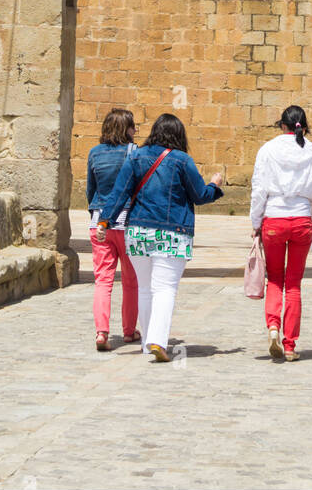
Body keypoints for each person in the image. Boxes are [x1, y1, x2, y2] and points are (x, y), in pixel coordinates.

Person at [95, 113, 223, 362]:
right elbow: (199, 195)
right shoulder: (182, 160)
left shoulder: (135, 157)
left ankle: (147, 343)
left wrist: (104, 221)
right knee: (164, 288)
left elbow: (118, 193)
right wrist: (215, 186)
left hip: (138, 232)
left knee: (145, 288)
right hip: (172, 233)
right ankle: (157, 340)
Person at [250, 105, 312, 361]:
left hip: (273, 219)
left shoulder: (267, 150)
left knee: (274, 279)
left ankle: (273, 325)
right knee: (293, 283)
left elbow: (259, 190)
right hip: (301, 221)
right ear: (303, 126)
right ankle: (290, 345)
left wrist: (255, 222)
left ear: (282, 125)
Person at [86, 108, 140, 351]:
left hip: (100, 223)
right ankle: (129, 331)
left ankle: (101, 332)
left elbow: (90, 190)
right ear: (124, 129)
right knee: (130, 281)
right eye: (132, 126)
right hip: (127, 222)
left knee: (103, 280)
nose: (136, 130)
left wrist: (96, 214)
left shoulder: (94, 153)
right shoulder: (134, 152)